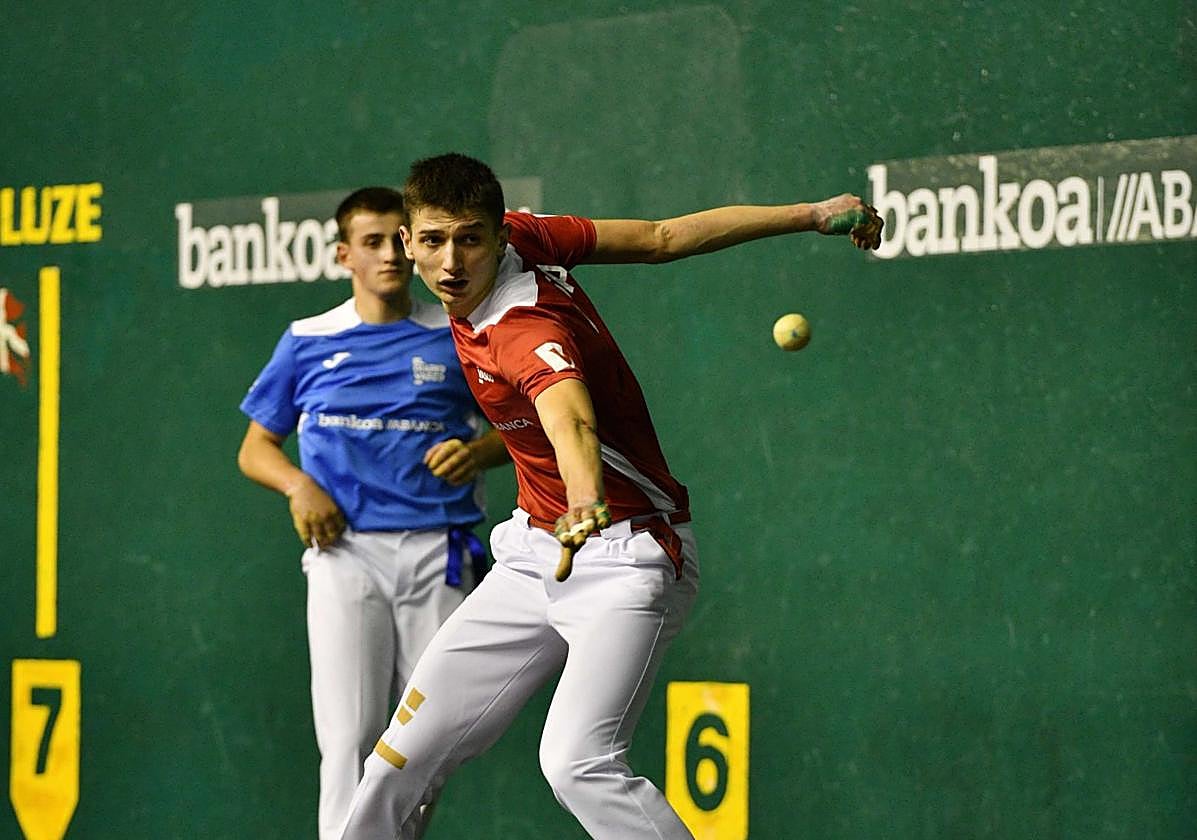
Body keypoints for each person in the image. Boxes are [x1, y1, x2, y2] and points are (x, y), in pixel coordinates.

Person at [339, 154, 883, 840]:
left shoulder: (524, 329)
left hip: (628, 555)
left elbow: (569, 416)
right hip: (533, 552)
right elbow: (660, 238)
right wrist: (810, 214)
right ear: (409, 240)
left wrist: (584, 495)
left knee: (577, 763)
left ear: (498, 238)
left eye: (471, 240)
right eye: (434, 240)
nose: (452, 262)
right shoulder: (526, 233)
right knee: (396, 758)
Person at [236, 186, 510, 840]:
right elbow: (255, 448)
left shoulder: (457, 335)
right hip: (345, 556)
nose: (389, 254)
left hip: (439, 553)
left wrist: (478, 453)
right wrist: (298, 486)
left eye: (397, 240)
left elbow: (524, 427)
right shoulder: (307, 340)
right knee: (350, 735)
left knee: (427, 736)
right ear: (344, 255)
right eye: (372, 242)